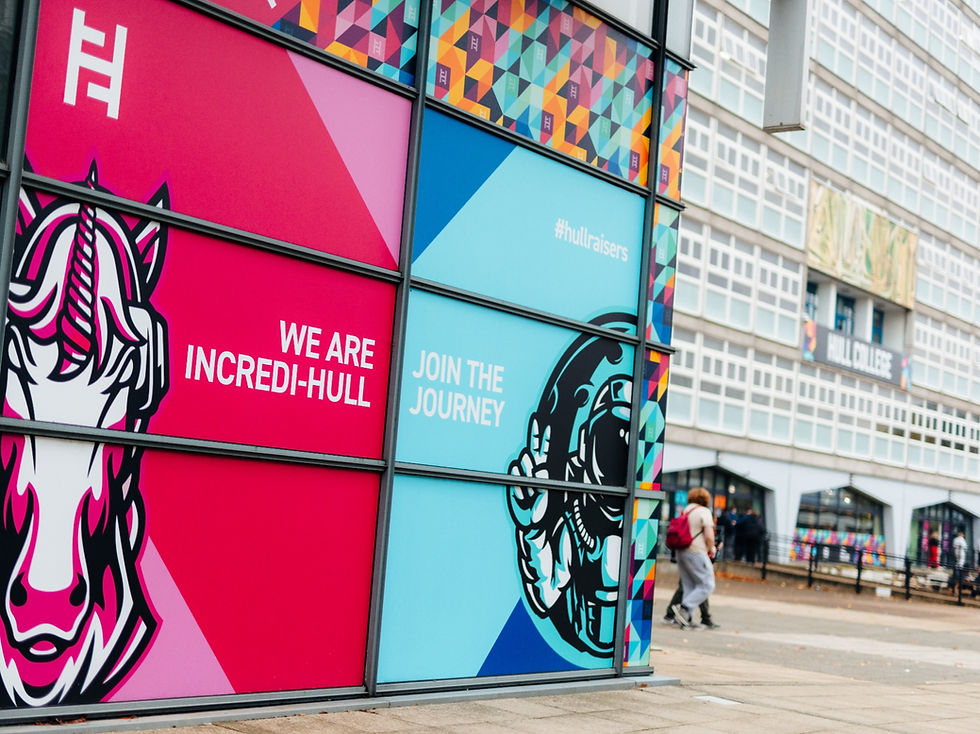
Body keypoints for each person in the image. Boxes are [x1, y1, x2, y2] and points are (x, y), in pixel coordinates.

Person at [670, 487, 716, 629]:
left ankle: (685, 619)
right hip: (696, 551)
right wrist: (711, 548)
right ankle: (684, 608)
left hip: (681, 551)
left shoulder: (685, 510)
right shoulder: (704, 511)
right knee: (707, 584)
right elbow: (708, 535)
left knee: (689, 585)